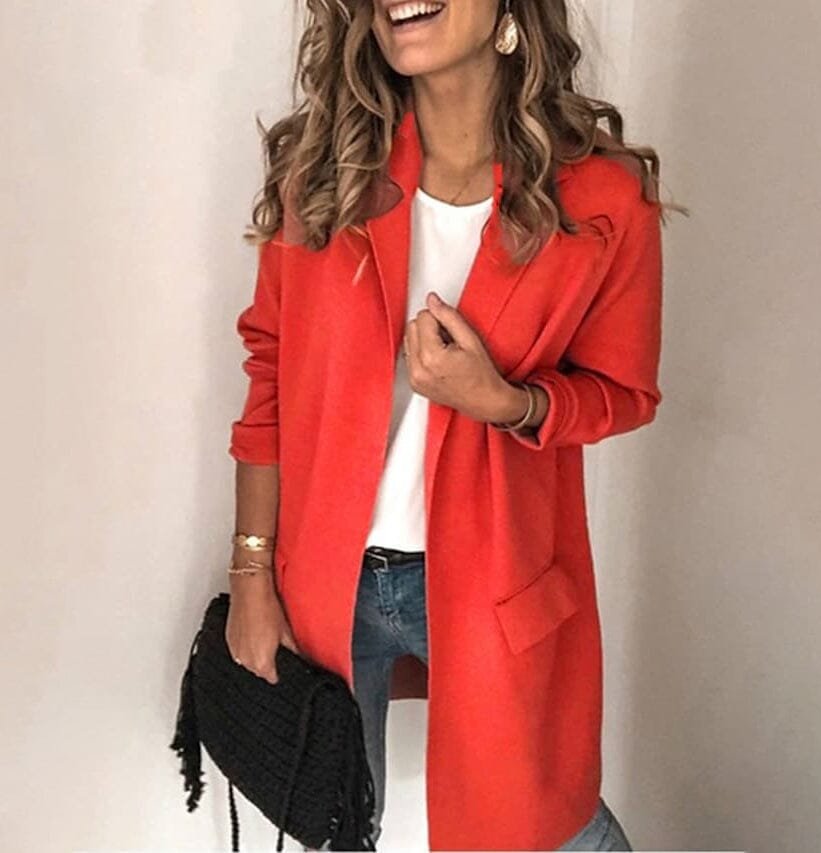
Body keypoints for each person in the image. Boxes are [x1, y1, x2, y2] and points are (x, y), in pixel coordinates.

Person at [225, 0, 676, 849]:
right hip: (324, 586)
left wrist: (505, 401)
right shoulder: (323, 173)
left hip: (498, 586)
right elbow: (270, 378)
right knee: (332, 825)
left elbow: (624, 391)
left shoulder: (601, 196)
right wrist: (251, 572)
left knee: (539, 826)